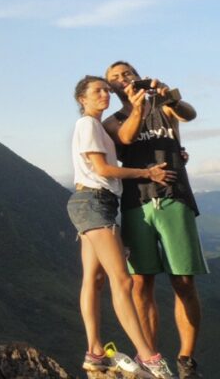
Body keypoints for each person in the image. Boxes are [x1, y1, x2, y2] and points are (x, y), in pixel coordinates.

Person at [103, 61, 208, 379]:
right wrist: (136, 108)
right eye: (115, 79)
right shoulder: (112, 121)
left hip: (175, 198)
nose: (123, 80)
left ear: (138, 76)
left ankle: (186, 359)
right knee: (141, 283)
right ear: (112, 88)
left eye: (127, 74)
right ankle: (149, 357)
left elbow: (189, 114)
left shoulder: (165, 107)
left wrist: (170, 98)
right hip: (137, 203)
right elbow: (125, 137)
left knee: (184, 281)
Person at [68, 76, 175, 377]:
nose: (104, 94)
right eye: (96, 91)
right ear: (82, 99)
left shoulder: (98, 127)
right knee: (122, 281)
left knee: (94, 280)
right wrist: (147, 172)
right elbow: (101, 169)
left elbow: (125, 136)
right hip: (94, 202)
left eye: (106, 90)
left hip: (90, 202)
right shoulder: (87, 125)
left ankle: (95, 352)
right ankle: (148, 357)